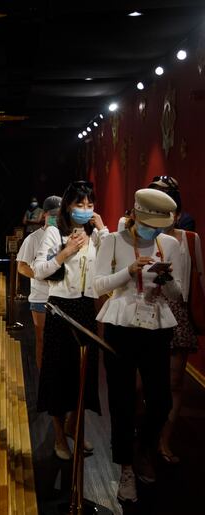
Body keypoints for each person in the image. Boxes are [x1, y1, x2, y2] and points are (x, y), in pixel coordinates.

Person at [93, 188, 181, 503]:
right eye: (148, 222)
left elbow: (177, 295)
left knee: (161, 402)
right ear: (135, 213)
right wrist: (127, 272)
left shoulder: (170, 244)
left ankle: (144, 448)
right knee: (122, 402)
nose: (153, 230)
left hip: (157, 326)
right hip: (120, 326)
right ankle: (126, 468)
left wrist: (165, 280)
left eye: (159, 225)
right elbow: (97, 285)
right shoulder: (113, 241)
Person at [33, 181, 108, 461]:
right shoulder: (55, 232)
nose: (85, 210)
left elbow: (111, 263)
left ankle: (73, 426)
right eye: (80, 205)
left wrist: (103, 231)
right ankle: (58, 435)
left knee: (83, 375)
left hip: (87, 309)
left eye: (90, 205)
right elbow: (40, 271)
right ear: (68, 206)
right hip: (60, 310)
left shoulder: (96, 234)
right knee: (58, 375)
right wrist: (65, 252)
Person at [154, 187, 204, 464]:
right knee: (142, 382)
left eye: (170, 209)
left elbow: (199, 278)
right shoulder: (145, 237)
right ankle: (144, 432)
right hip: (149, 311)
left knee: (174, 382)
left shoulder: (190, 238)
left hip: (178, 312)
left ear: (179, 212)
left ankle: (164, 440)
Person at [16, 195, 61, 369]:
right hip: (41, 297)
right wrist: (41, 274)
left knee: (60, 341)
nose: (56, 218)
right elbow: (21, 266)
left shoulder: (67, 236)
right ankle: (42, 377)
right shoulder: (33, 238)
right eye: (53, 214)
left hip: (62, 297)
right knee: (42, 338)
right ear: (45, 214)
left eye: (59, 214)